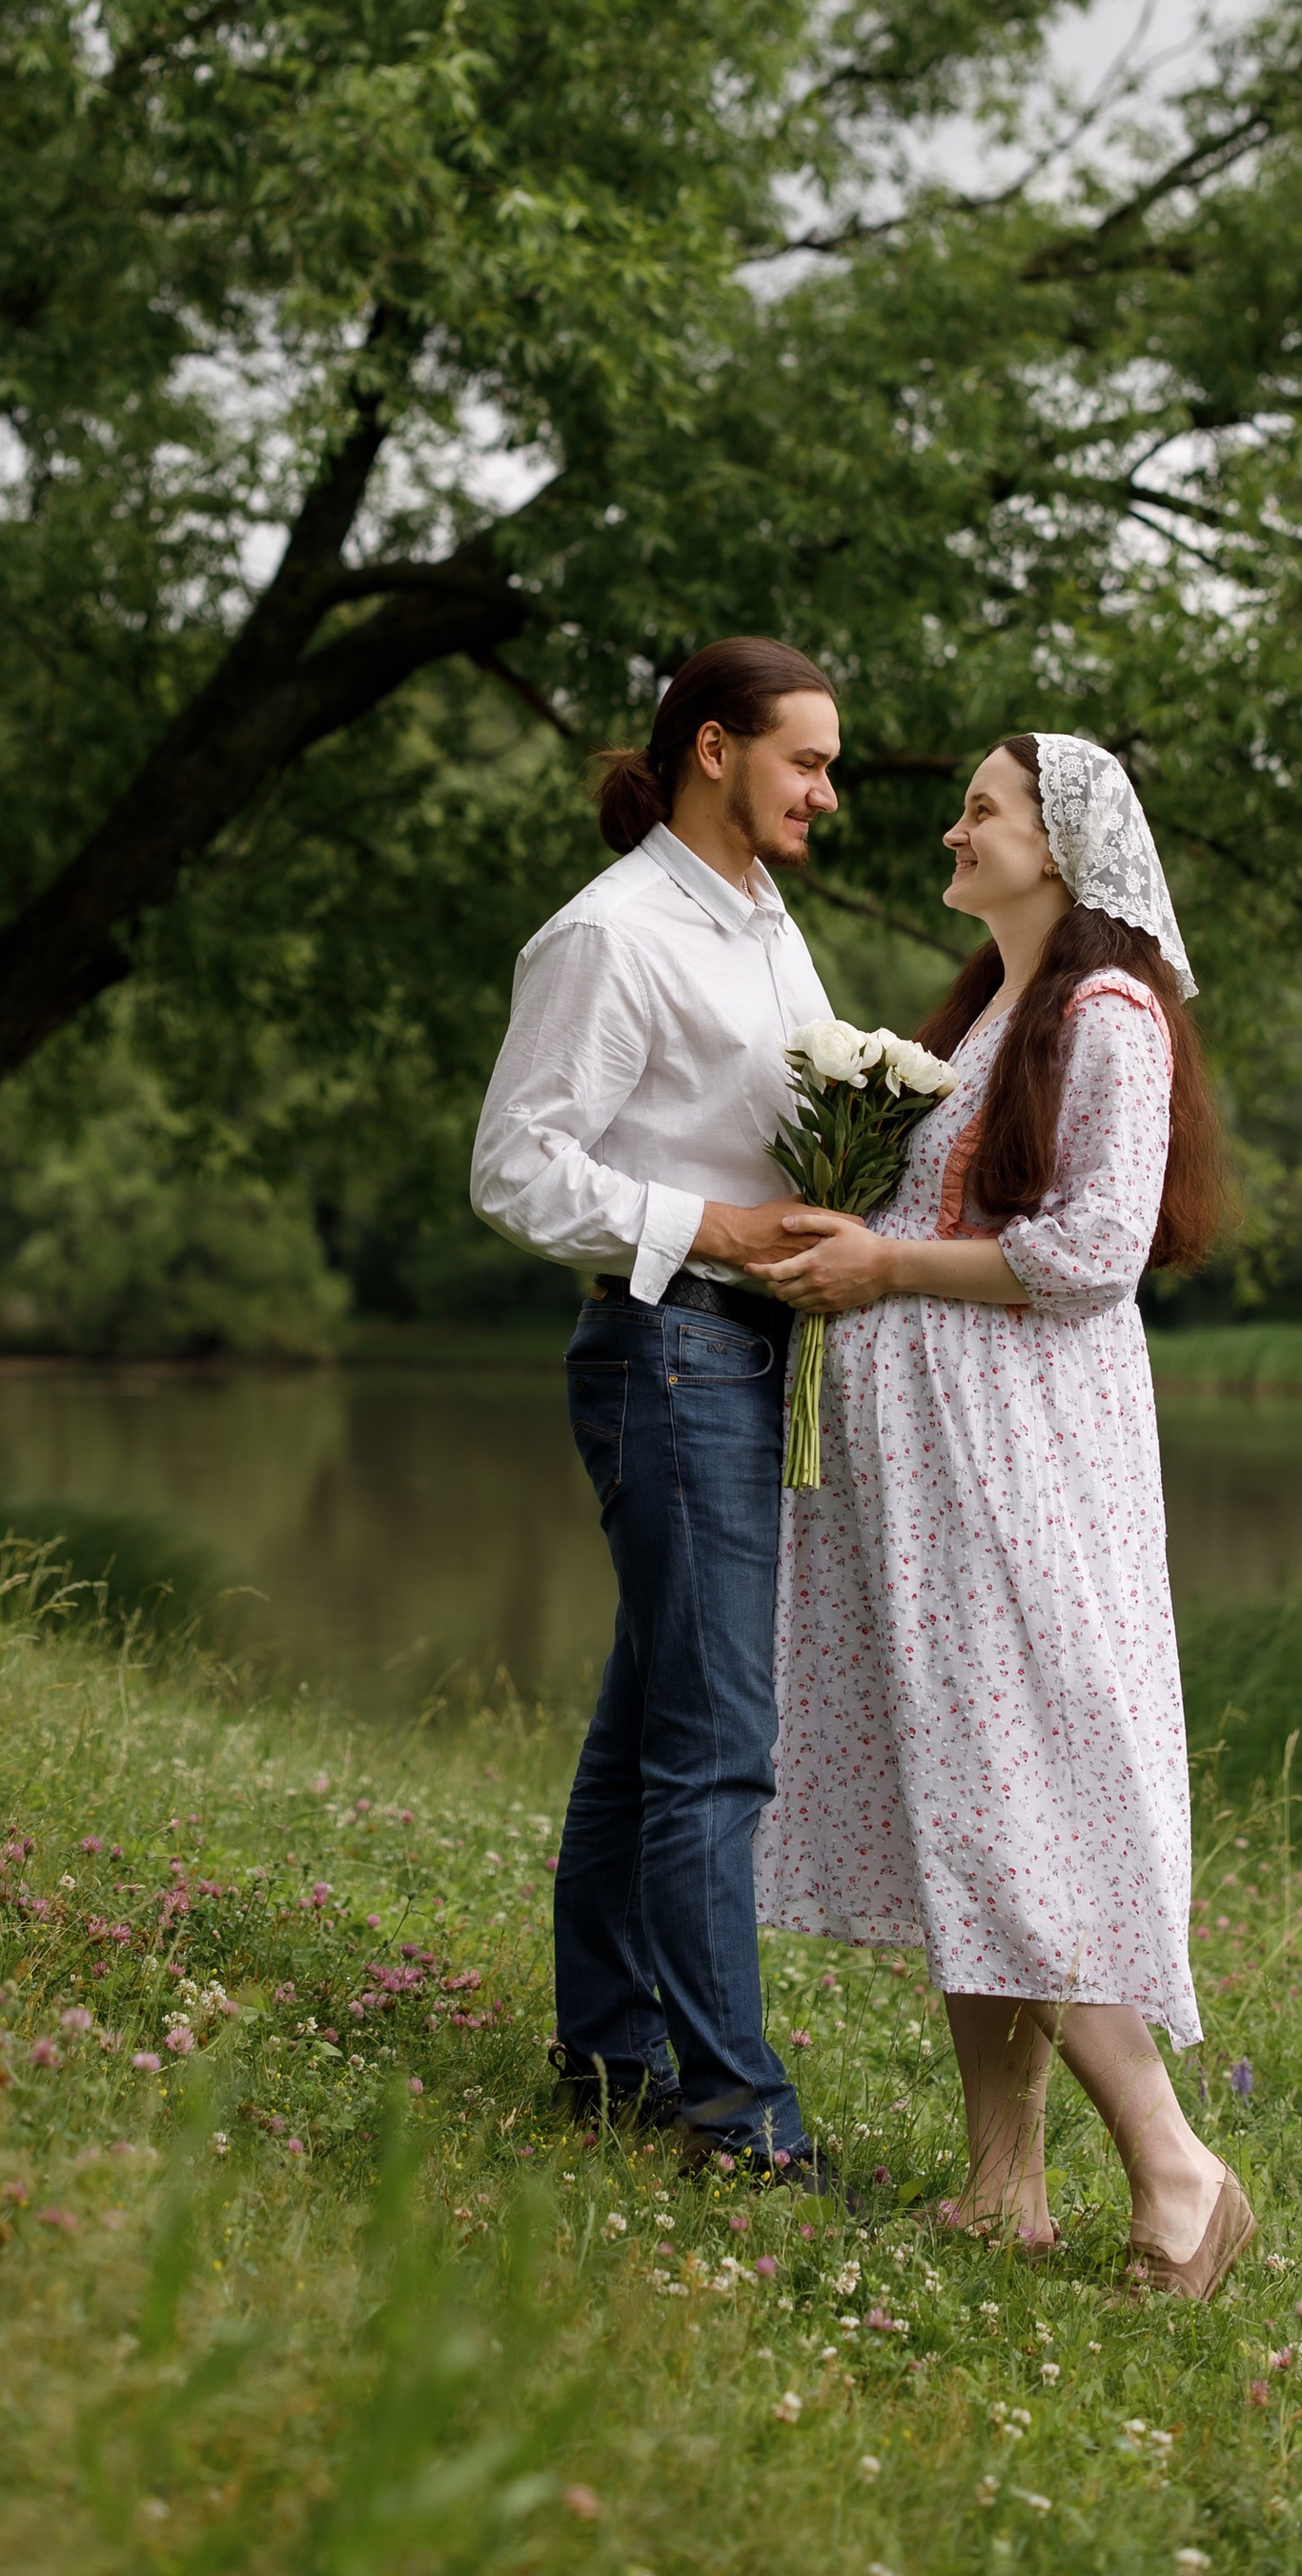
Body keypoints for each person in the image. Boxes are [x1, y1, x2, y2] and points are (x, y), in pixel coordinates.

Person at [752, 731, 1252, 2296]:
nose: (954, 829)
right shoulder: (985, 1018)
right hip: (936, 1467)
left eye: (983, 809)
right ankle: (1000, 2187)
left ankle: (1179, 2171)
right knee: (962, 1807)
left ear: (1062, 844)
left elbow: (1097, 1247)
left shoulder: (1103, 1011)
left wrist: (887, 1265)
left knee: (1016, 1805)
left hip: (1020, 1470)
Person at [469, 636, 844, 2181]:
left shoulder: (763, 922)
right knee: (718, 1751)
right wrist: (716, 1232)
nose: (827, 791)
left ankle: (612, 2053)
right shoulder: (611, 936)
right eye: (805, 761)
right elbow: (514, 1168)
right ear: (713, 751)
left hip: (744, 1357)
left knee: (649, 1733)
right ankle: (739, 2119)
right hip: (667, 1352)